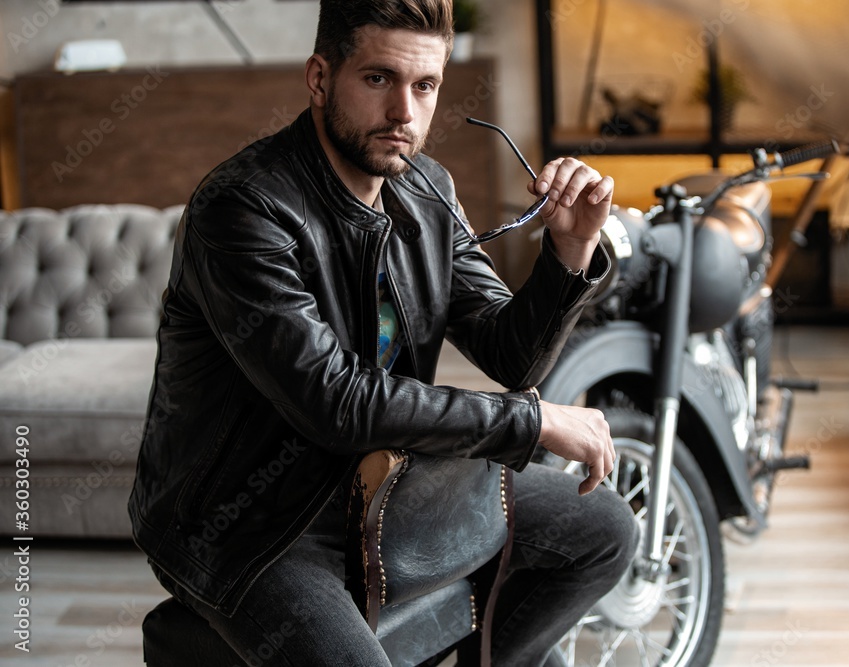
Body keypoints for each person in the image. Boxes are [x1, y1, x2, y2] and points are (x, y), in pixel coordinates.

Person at [128, 0, 639, 664]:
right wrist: (531, 422)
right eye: (378, 80)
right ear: (319, 78)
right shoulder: (243, 209)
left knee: (604, 530)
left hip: (386, 482)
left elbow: (512, 354)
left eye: (424, 86)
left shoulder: (426, 190)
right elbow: (335, 401)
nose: (404, 111)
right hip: (253, 522)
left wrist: (567, 254)